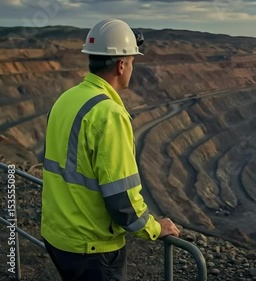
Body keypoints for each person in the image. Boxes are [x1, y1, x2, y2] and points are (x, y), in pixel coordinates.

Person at [40, 18, 180, 281]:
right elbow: (122, 201)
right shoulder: (109, 115)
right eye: (132, 62)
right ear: (121, 65)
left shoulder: (66, 99)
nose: (131, 68)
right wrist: (154, 227)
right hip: (92, 249)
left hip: (57, 238)